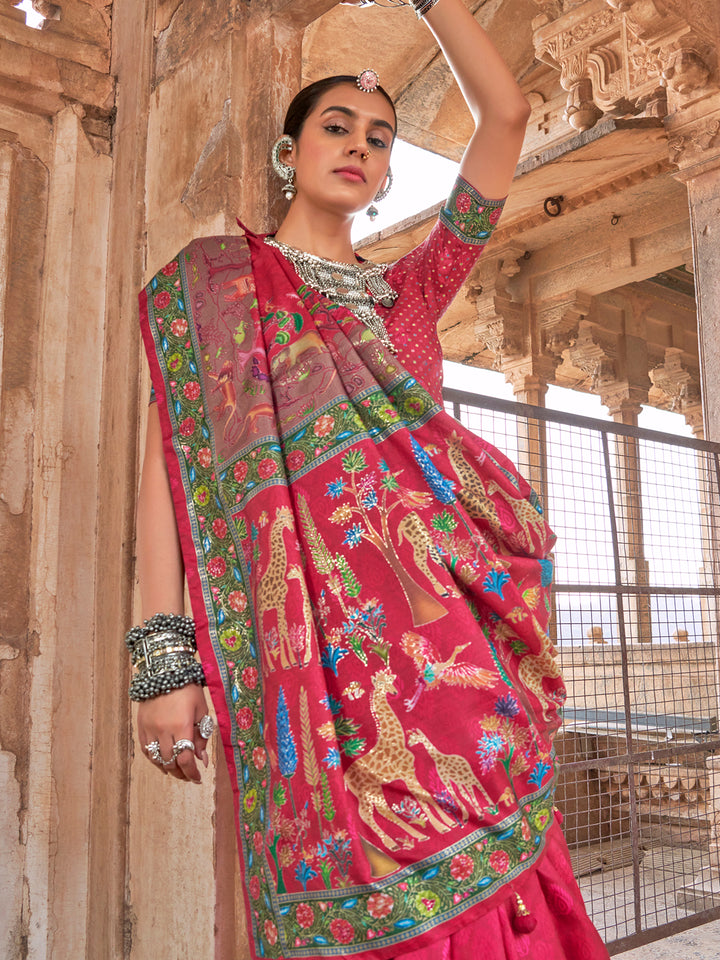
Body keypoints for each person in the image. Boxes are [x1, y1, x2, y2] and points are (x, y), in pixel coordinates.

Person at [131, 1, 610, 957]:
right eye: (337, 127)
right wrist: (163, 663)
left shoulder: (413, 292)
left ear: (389, 173)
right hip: (305, 669)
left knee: (489, 895)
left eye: (380, 138)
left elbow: (506, 115)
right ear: (290, 152)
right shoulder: (216, 292)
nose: (359, 146)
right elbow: (167, 478)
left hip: (447, 652)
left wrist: (431, 3)